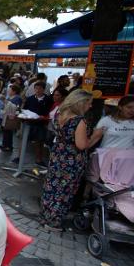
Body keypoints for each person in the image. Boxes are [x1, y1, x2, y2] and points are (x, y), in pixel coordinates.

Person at [40, 90, 93, 231]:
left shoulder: (59, 114)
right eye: (89, 102)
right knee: (64, 190)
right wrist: (95, 137)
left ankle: (46, 216)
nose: (90, 106)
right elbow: (81, 145)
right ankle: (54, 222)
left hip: (58, 154)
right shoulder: (79, 121)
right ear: (80, 103)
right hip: (71, 159)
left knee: (52, 186)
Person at [15, 81, 53, 167]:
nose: (37, 90)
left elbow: (49, 112)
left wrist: (43, 118)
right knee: (24, 140)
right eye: (36, 88)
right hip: (29, 123)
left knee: (39, 142)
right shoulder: (30, 99)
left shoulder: (48, 100)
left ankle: (39, 159)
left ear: (43, 89)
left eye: (40, 88)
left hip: (41, 123)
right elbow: (25, 109)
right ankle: (19, 157)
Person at [0, 84, 23, 152]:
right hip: (6, 116)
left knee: (9, 131)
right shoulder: (10, 97)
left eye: (10, 90)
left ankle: (8, 146)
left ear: (14, 91)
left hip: (11, 117)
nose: (9, 91)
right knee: (6, 131)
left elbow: (15, 107)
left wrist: (6, 101)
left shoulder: (17, 98)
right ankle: (4, 144)